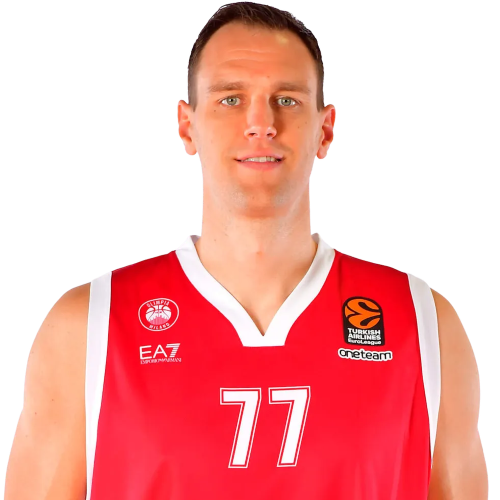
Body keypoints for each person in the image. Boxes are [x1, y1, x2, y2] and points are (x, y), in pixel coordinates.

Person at [4, 2, 488, 499]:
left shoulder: (423, 323)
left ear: (325, 129)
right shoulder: (89, 328)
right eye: (231, 99)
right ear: (187, 126)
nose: (261, 123)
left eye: (287, 99)